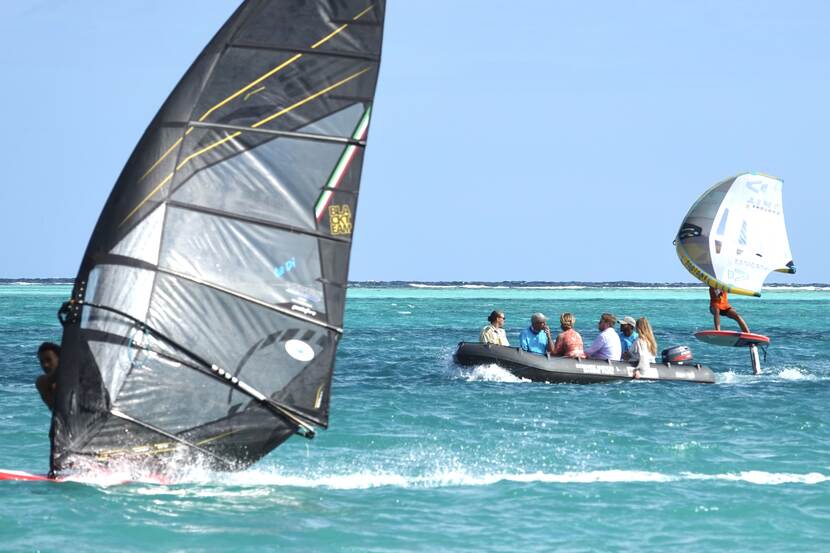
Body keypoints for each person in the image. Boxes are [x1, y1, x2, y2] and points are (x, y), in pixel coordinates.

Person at [35, 342, 60, 411]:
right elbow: (55, 376)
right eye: (42, 362)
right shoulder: (41, 381)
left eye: (49, 360)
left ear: (59, 359)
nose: (45, 365)